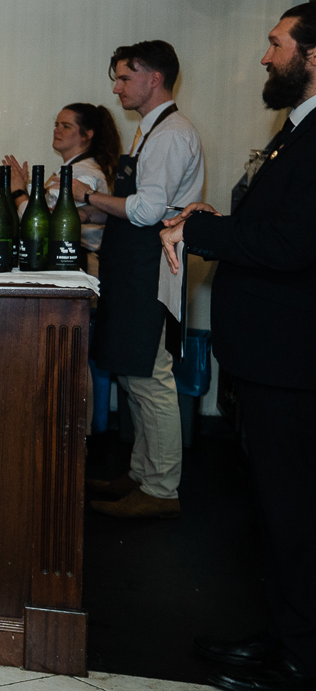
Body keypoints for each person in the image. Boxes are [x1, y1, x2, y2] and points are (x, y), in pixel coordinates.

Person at [163, 3, 316, 691]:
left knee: (295, 511)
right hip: (267, 357)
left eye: (276, 43)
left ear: (313, 54)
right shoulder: (295, 132)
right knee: (274, 508)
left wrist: (203, 235)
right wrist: (218, 221)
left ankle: (303, 656)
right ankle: (282, 632)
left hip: (293, 361)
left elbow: (292, 247)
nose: (266, 56)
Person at [81, 42, 203, 519]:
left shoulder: (172, 134)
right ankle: (139, 473)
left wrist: (90, 195)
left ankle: (161, 489)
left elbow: (149, 210)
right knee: (133, 375)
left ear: (155, 78)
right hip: (132, 265)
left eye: (124, 78)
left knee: (152, 377)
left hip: (151, 268)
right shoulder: (146, 133)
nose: (116, 88)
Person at [2, 102, 120, 260]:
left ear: (87, 135)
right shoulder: (72, 168)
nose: (57, 130)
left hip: (73, 257)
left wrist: (18, 193)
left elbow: (48, 225)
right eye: (56, 124)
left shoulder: (83, 173)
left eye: (66, 126)